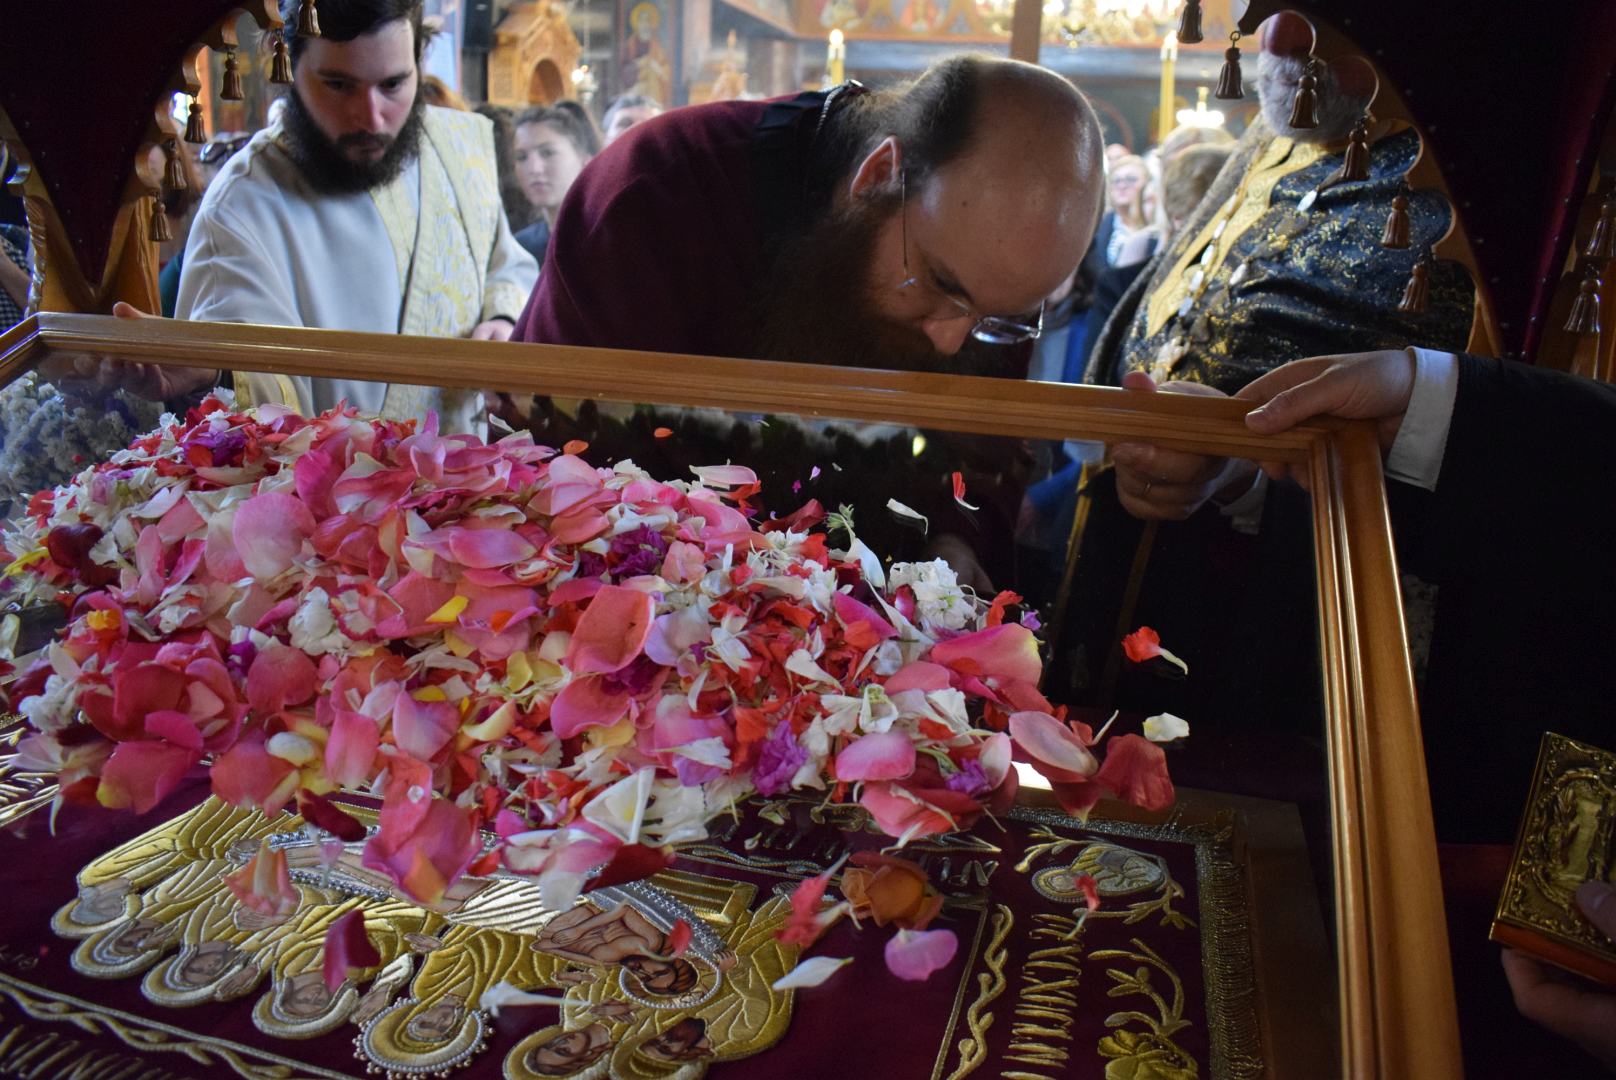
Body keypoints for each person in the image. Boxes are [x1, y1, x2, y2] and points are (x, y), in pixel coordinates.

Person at [514, 54, 1103, 372]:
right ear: (878, 176)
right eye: (940, 283)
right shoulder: (659, 190)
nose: (951, 341)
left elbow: (980, 475)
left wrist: (956, 539)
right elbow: (546, 447)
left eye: (995, 320)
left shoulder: (989, 290)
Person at [175, 0, 538, 433]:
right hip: (330, 477)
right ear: (284, 61)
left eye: (393, 84)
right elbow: (248, 390)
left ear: (419, 59)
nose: (371, 118)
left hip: (468, 462)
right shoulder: (243, 206)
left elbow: (504, 266)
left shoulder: (458, 148)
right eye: (338, 85)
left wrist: (502, 320)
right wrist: (212, 372)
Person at [1084, 11, 1475, 394]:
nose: (1276, 40)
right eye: (1271, 9)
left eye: (1323, 11)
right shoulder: (1269, 137)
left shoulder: (1443, 183)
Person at [512, 102, 601, 267]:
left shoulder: (606, 236)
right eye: (521, 157)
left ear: (585, 162)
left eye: (547, 153)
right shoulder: (518, 249)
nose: (534, 168)